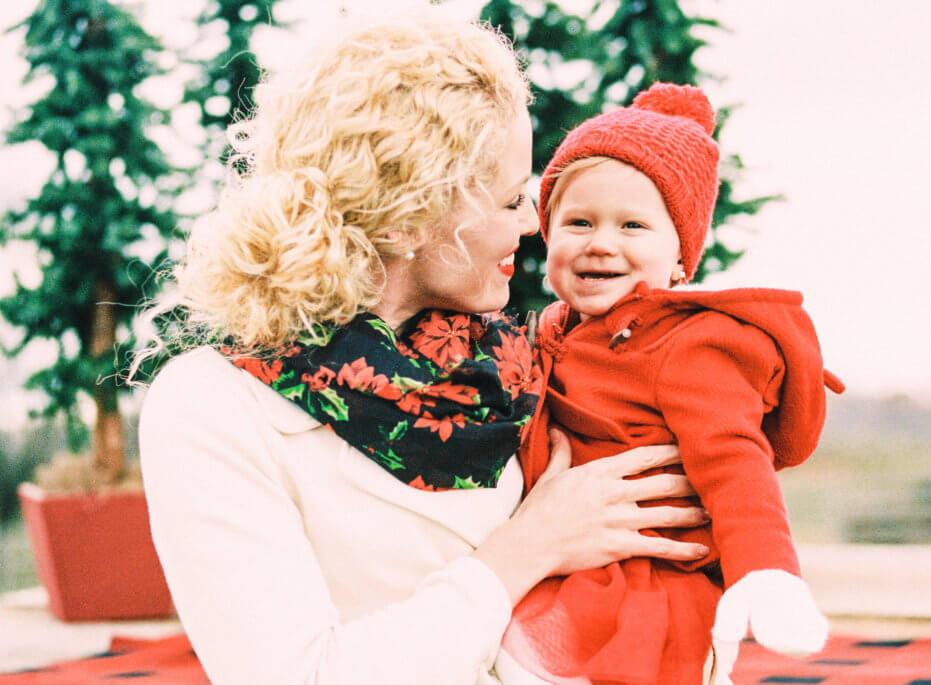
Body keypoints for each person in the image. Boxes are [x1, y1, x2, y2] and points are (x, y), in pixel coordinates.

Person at [136, 11, 711, 685]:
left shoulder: (518, 364)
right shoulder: (213, 403)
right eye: (508, 199)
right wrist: (528, 545)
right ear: (412, 209)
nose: (532, 221)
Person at [499, 83, 845, 685]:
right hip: (558, 554)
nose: (601, 242)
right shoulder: (552, 331)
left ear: (680, 257)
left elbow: (733, 461)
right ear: (548, 236)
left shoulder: (686, 346)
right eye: (578, 221)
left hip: (645, 578)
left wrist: (767, 572)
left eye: (633, 225)